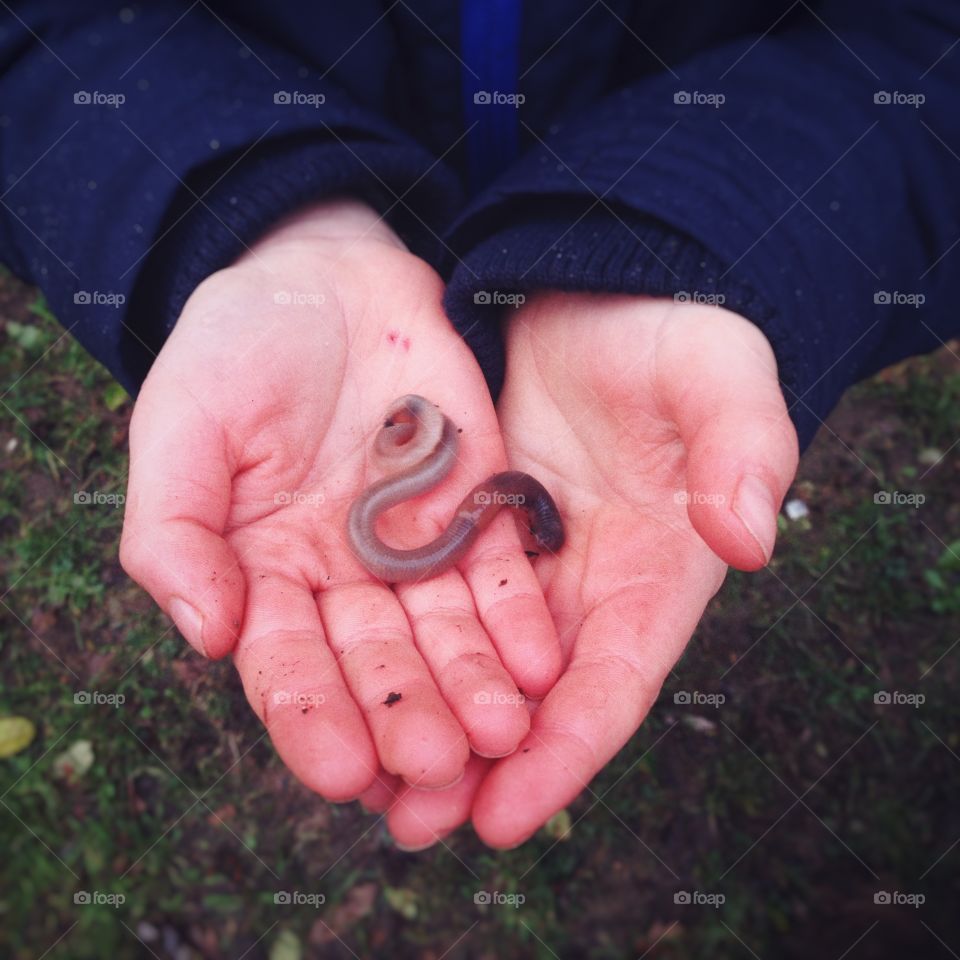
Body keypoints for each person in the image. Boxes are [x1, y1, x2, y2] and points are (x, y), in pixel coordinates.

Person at [2, 1, 957, 851]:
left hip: (599, 196)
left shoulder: (476, 488)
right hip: (373, 203)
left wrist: (685, 239)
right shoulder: (434, 468)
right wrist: (258, 216)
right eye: (532, 525)